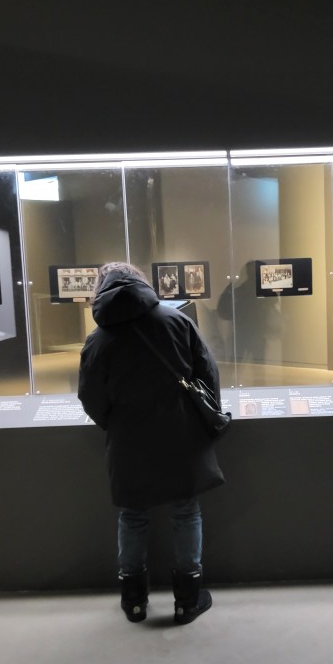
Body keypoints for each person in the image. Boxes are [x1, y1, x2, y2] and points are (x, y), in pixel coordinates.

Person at [78, 262, 224, 625]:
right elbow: (207, 372)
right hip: (181, 432)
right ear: (141, 282)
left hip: (128, 440)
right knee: (185, 511)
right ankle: (187, 600)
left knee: (132, 515)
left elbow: (90, 396)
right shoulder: (176, 321)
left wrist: (114, 423)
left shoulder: (99, 338)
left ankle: (134, 602)